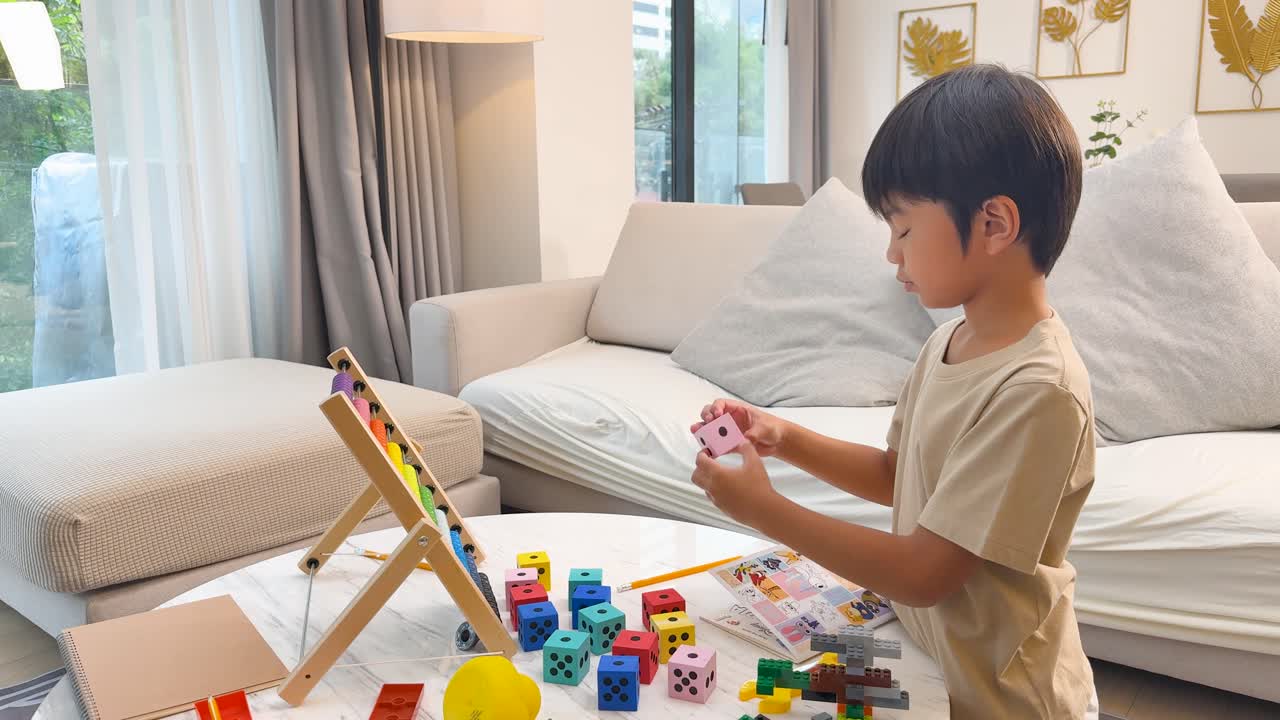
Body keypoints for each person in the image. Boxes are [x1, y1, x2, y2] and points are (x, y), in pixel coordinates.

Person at [690, 64, 1098, 718]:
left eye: (903, 229)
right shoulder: (947, 343)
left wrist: (764, 510)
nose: (891, 254)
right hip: (929, 661)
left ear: (994, 224)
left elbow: (924, 573)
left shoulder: (1040, 390)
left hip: (1003, 695)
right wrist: (781, 436)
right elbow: (896, 474)